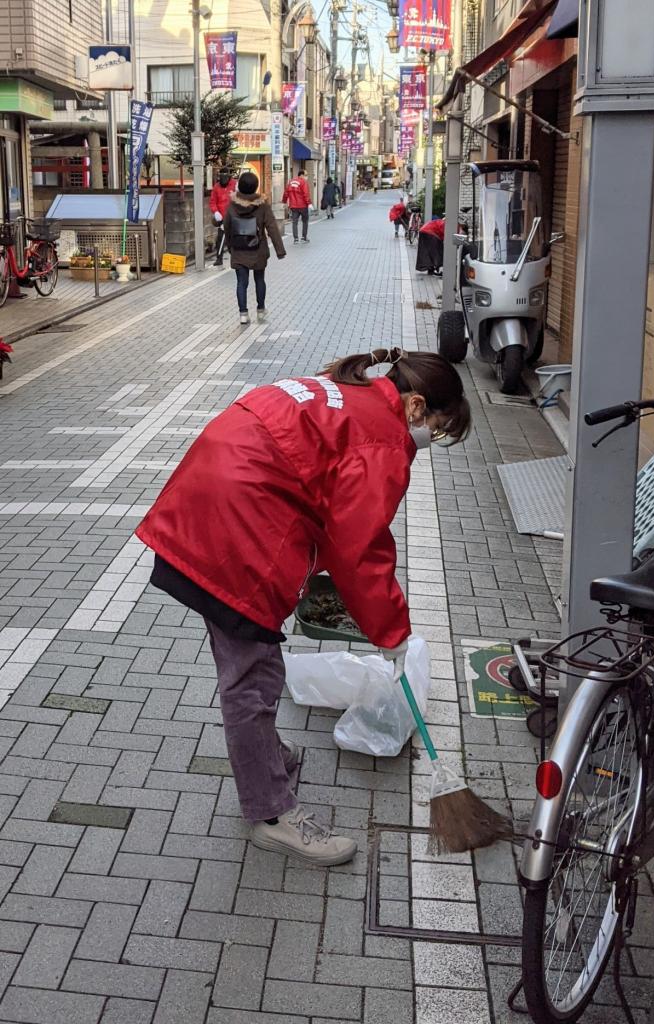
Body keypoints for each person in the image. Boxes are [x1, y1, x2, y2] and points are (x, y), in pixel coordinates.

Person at [136, 348, 471, 866]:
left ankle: (267, 760)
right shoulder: (382, 438)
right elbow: (360, 547)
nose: (430, 440)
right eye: (438, 428)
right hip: (239, 522)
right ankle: (271, 815)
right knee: (249, 679)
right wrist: (391, 631)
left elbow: (329, 507)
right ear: (416, 405)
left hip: (213, 497)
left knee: (257, 662)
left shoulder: (352, 394)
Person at [223, 171, 286, 326]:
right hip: (258, 249)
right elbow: (272, 227)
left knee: (241, 283)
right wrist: (280, 250)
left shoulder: (232, 205)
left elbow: (227, 226)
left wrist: (230, 246)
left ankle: (243, 314)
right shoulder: (262, 205)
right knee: (259, 279)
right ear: (256, 187)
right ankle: (261, 309)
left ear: (240, 186)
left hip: (239, 249)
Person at [209, 167, 237, 267]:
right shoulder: (216, 187)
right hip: (221, 217)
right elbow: (213, 201)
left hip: (234, 216)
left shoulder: (235, 184)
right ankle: (219, 258)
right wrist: (216, 212)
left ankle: (235, 257)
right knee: (220, 238)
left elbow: (240, 198)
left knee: (233, 238)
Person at [282, 168, 312, 243]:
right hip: (303, 206)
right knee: (305, 221)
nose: (307, 177)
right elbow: (306, 194)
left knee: (294, 222)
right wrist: (309, 203)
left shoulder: (290, 182)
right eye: (306, 175)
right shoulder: (303, 182)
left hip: (293, 206)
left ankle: (295, 239)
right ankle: (303, 237)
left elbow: (286, 193)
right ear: (301, 175)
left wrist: (284, 202)